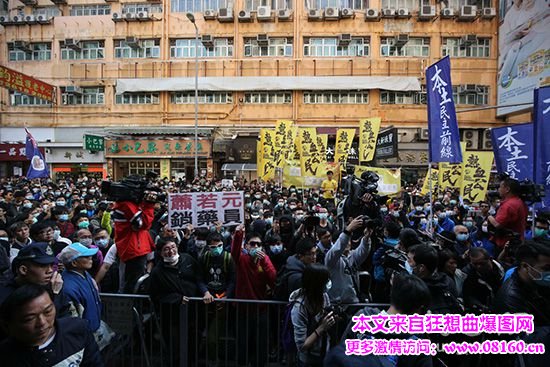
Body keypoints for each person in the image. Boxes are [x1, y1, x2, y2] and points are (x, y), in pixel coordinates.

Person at [330, 273, 433, 367]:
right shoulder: (418, 344)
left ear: (392, 294)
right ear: (419, 309)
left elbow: (338, 356)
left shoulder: (362, 318)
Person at [0, 284, 104, 366]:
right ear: (8, 325)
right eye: (30, 318)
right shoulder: (6, 356)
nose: (42, 323)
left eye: (48, 312)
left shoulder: (78, 329)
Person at [58, 243, 112, 349]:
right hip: (84, 337)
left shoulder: (84, 274)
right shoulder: (69, 287)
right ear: (74, 263)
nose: (90, 258)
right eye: (86, 257)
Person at [493, 240, 550, 326]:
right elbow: (531, 336)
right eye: (547, 268)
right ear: (525, 266)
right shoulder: (511, 301)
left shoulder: (537, 282)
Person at [289, 264, 334, 367]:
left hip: (324, 352)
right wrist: (322, 327)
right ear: (317, 284)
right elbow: (302, 345)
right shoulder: (299, 308)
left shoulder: (324, 296)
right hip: (308, 360)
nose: (328, 283)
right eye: (325, 281)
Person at [407, 244, 463, 314]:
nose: (407, 262)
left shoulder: (412, 287)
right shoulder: (448, 281)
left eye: (409, 260)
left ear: (421, 267)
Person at [487, 176, 528, 252]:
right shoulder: (520, 202)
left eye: (500, 187)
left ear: (507, 189)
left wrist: (489, 216)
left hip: (506, 245)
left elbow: (497, 224)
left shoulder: (508, 205)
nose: (498, 189)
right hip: (517, 241)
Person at [462, 247, 504, 314]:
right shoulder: (469, 276)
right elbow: (469, 297)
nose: (479, 267)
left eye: (482, 263)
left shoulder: (503, 269)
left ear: (490, 259)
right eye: (475, 264)